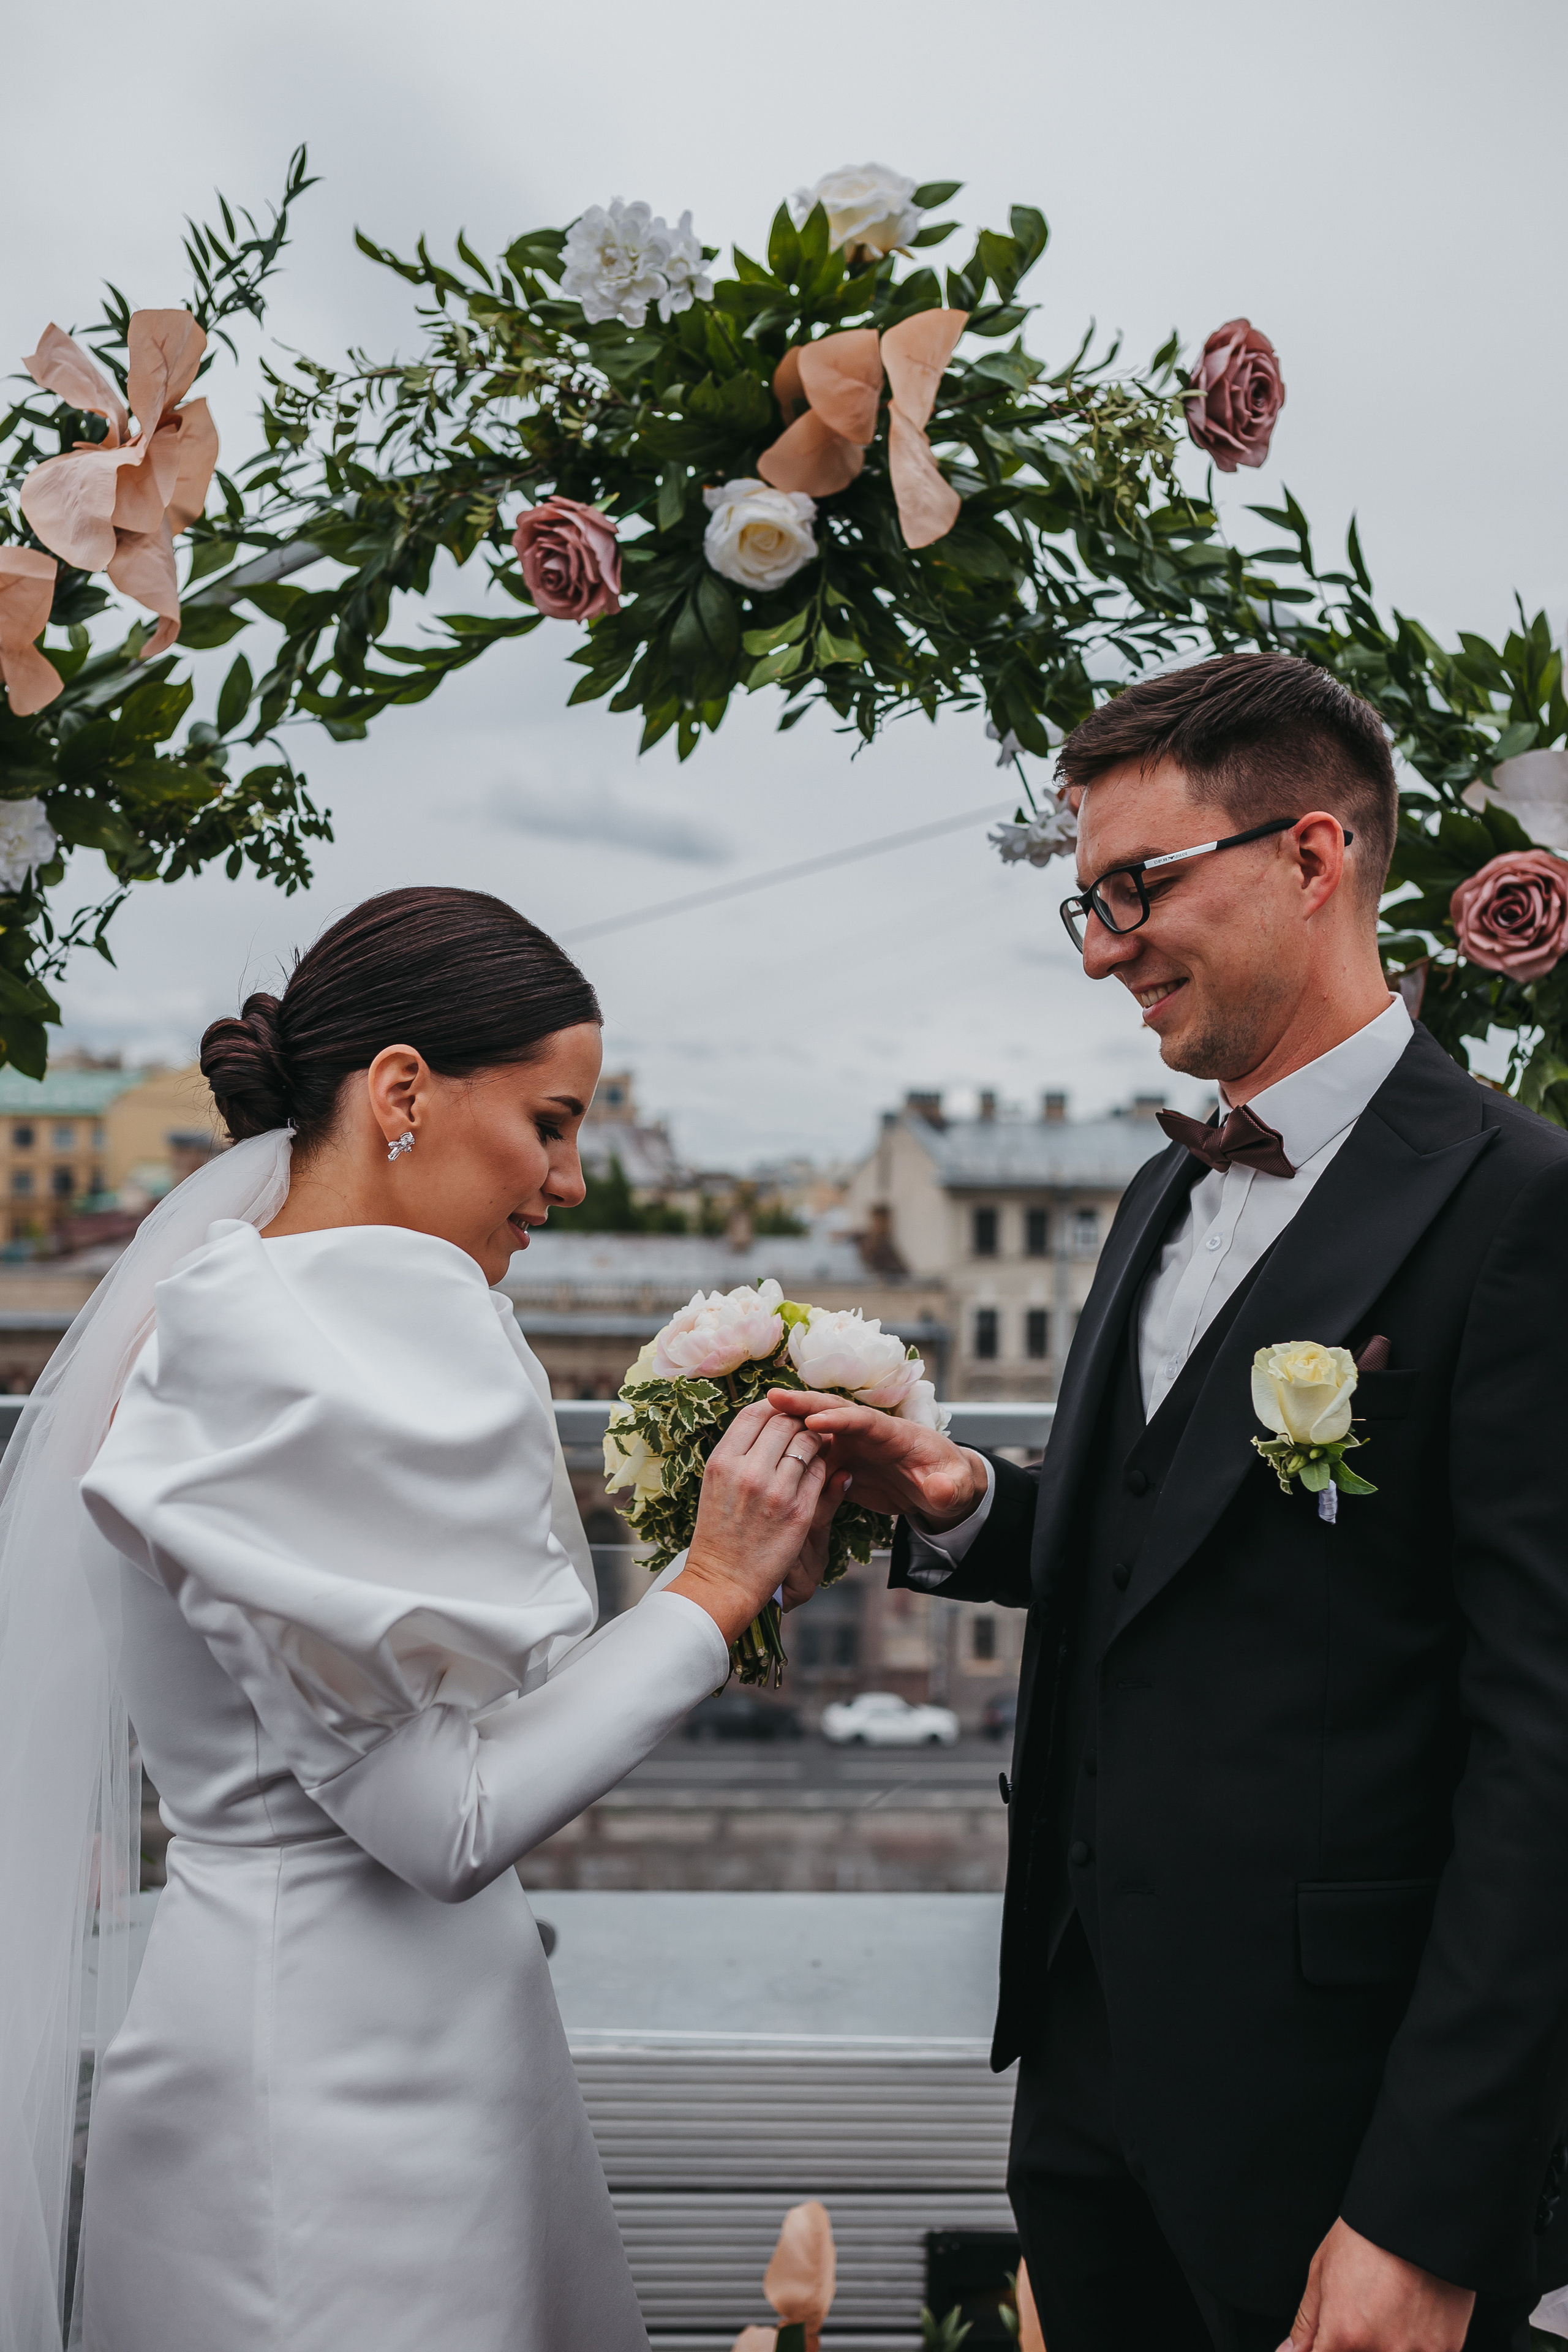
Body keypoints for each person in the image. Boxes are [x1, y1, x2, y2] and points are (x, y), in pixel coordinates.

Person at [771, 653, 1568, 2352]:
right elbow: (1178, 1537)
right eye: (1085, 904)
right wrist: (972, 1502)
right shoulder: (1155, 1192)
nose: (1103, 947)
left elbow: (1548, 1748)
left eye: (1137, 889)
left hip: (1342, 2135)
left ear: (1312, 857)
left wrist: (1427, 2210)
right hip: (1089, 2094)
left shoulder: (1523, 1209)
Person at [0, 886, 843, 2352]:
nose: (572, 1181)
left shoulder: (265, 1308)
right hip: (331, 2087)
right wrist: (709, 1590)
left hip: (372, 2034)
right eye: (552, 1120)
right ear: (400, 1091)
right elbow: (436, 1818)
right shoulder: (295, 1344)